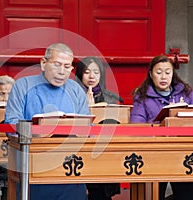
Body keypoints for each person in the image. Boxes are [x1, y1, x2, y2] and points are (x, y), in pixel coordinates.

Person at [4, 43, 89, 200]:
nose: (61, 71)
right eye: (57, 64)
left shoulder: (76, 89)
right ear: (43, 63)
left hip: (69, 165)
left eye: (67, 66)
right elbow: (11, 124)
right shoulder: (23, 85)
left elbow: (86, 127)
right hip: (33, 164)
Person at [130, 55, 193, 200]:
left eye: (167, 72)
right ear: (151, 74)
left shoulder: (186, 93)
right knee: (153, 194)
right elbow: (136, 125)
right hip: (155, 151)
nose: (163, 77)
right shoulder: (142, 96)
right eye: (158, 73)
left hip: (182, 151)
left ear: (173, 74)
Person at [75, 56, 122, 200]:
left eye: (96, 72)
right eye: (87, 72)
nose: (92, 76)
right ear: (80, 74)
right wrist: (87, 108)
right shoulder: (71, 95)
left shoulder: (111, 98)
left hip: (103, 150)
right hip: (79, 150)